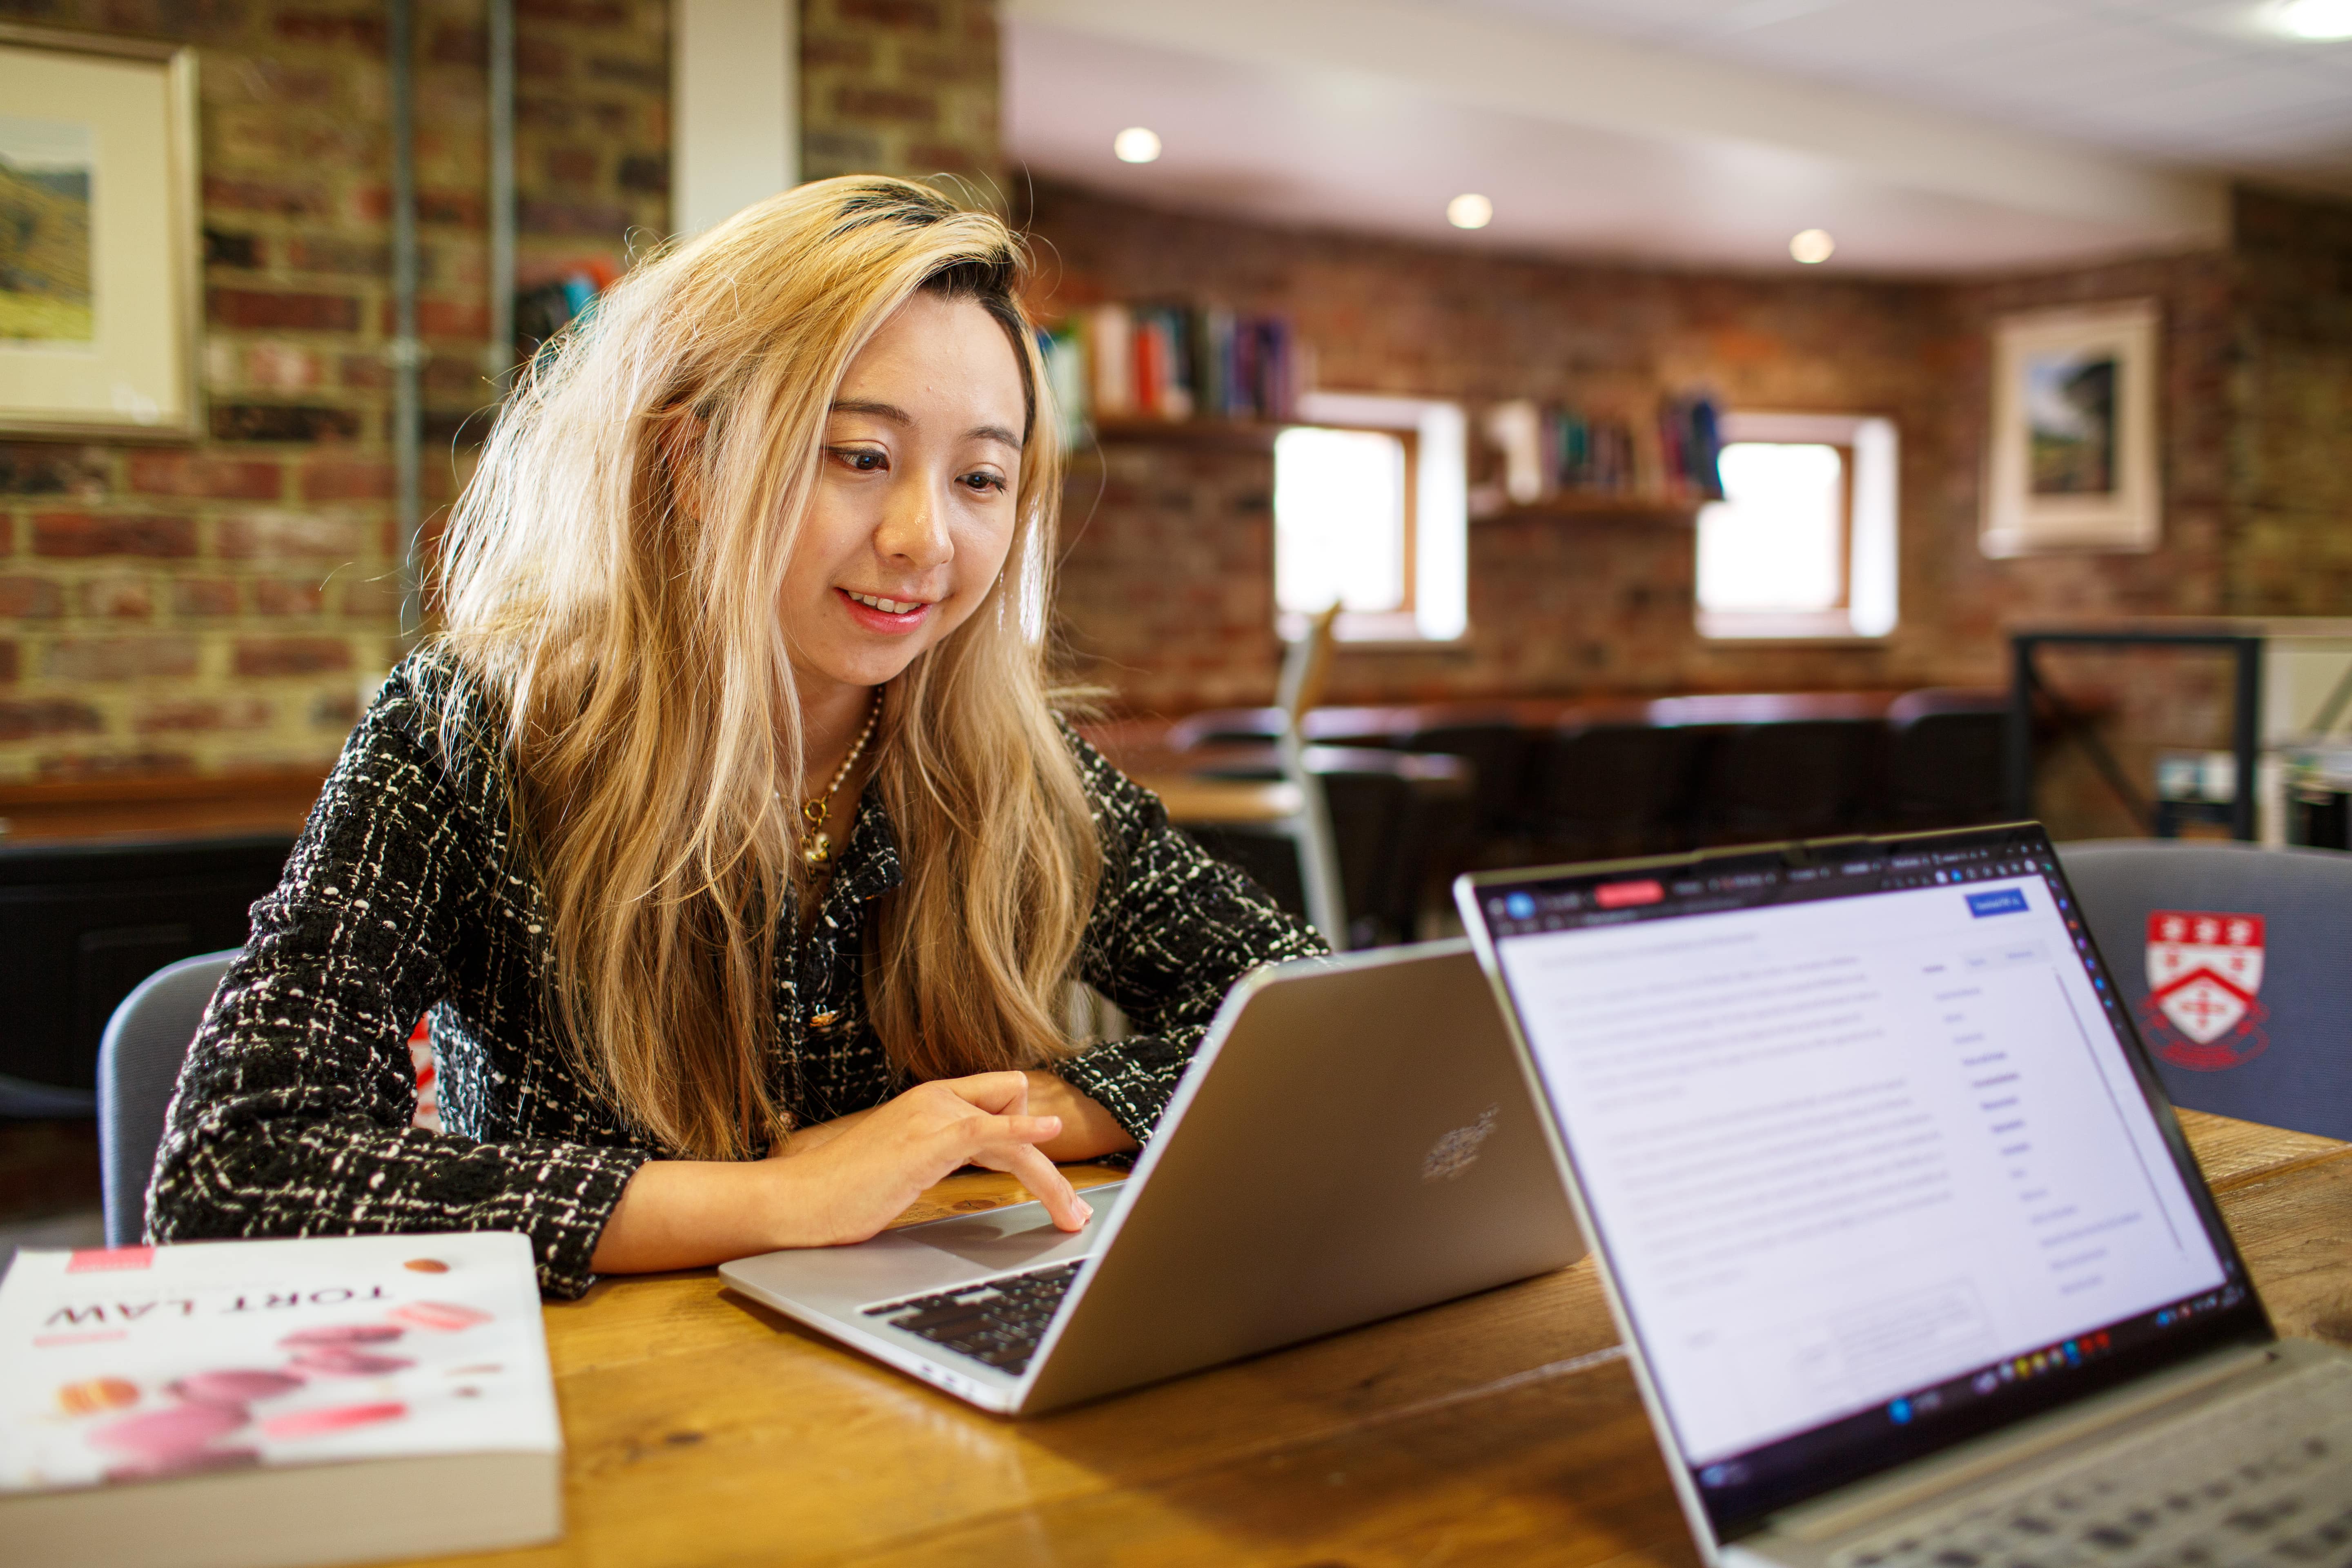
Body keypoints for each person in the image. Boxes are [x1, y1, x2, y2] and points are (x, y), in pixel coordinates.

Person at [148, 178, 1324, 1297]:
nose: (927, 538)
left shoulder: (1009, 758)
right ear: (694, 462)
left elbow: (1307, 1009)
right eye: (859, 457)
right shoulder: (468, 733)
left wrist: (997, 1122)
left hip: (912, 1370)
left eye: (980, 477)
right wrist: (783, 1195)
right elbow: (232, 1175)